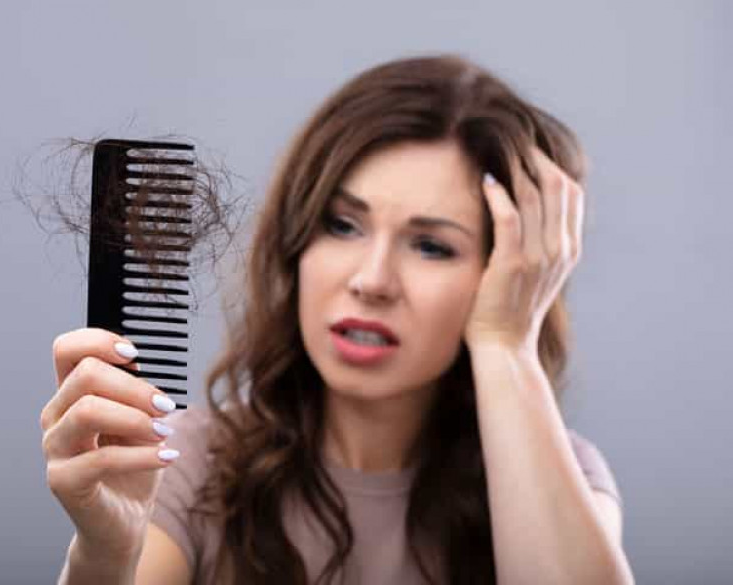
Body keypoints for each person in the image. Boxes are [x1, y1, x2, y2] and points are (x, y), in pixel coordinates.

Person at [40, 54, 634, 584]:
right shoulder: (187, 464)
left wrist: (505, 340)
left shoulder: (560, 477)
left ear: (510, 274)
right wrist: (105, 553)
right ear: (296, 242)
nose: (371, 280)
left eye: (431, 246)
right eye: (343, 225)